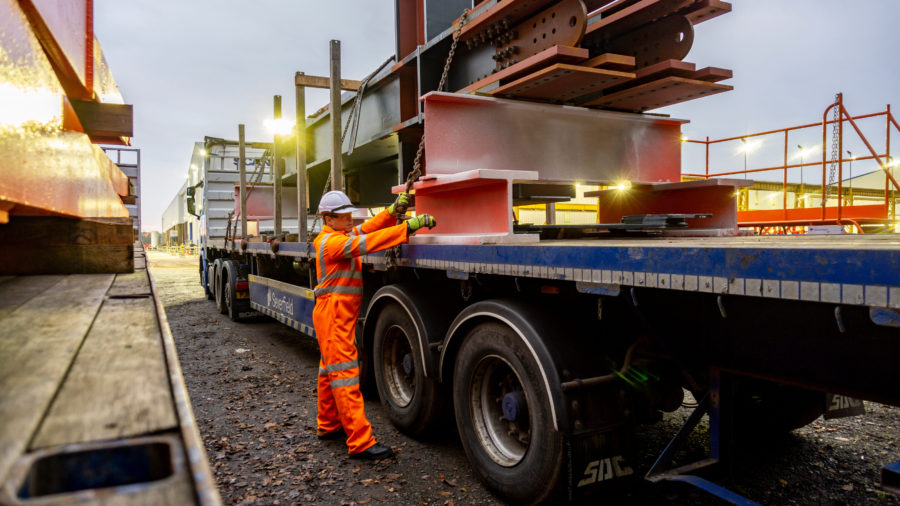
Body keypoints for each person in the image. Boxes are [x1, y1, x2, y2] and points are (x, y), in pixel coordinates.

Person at [312, 190, 435, 460]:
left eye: (350, 215)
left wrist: (391, 212)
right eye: (344, 216)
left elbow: (367, 229)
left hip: (334, 316)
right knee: (344, 376)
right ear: (328, 219)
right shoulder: (332, 243)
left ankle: (328, 424)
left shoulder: (339, 236)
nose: (351, 220)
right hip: (333, 317)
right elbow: (368, 242)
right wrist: (407, 227)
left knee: (328, 370)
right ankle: (360, 442)